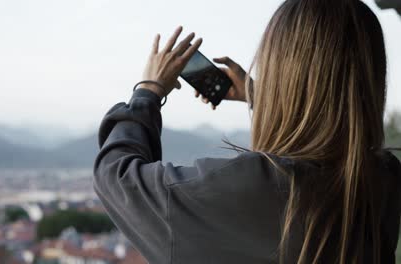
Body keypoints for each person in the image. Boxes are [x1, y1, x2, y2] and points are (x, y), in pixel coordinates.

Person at [93, 0, 401, 263]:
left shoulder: (253, 186)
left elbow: (116, 177)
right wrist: (261, 97)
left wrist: (148, 90)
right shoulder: (384, 179)